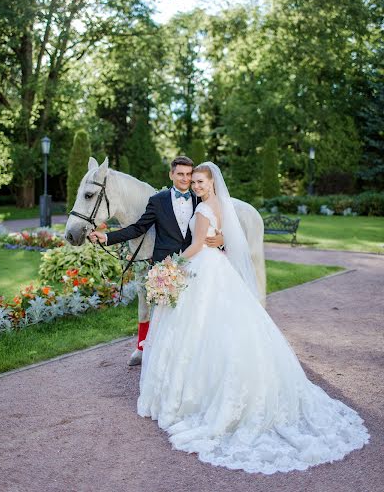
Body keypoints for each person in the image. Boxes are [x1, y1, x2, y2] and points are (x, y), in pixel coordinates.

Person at [136, 162, 370, 475]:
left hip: (203, 267)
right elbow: (222, 240)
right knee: (219, 325)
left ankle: (196, 391)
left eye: (201, 182)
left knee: (197, 327)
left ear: (212, 182)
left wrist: (171, 264)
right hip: (218, 267)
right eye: (194, 182)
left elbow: (194, 246)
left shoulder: (205, 209)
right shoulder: (219, 205)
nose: (196, 186)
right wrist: (213, 244)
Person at [89, 156, 223, 355]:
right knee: (167, 316)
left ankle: (192, 355)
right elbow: (138, 228)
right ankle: (165, 355)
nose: (186, 179)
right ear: (171, 175)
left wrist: (221, 240)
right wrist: (107, 237)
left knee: (195, 313)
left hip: (196, 264)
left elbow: (217, 223)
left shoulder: (201, 198)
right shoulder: (158, 201)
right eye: (180, 174)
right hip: (166, 266)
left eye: (189, 174)